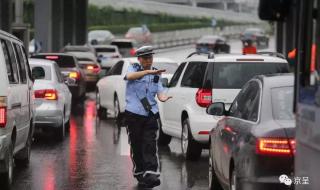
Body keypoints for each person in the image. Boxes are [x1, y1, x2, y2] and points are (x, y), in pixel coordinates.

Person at [124, 46, 172, 188]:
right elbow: (129, 77)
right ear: (139, 59)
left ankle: (151, 174)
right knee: (137, 145)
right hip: (133, 114)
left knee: (150, 144)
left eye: (150, 57)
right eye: (145, 58)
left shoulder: (156, 74)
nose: (148, 60)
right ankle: (140, 173)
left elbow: (160, 92)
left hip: (150, 114)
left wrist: (164, 97)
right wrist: (146, 72)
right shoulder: (134, 68)